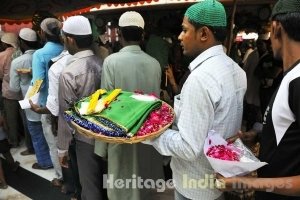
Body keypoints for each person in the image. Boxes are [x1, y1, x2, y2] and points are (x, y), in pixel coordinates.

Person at [143, 1, 247, 199]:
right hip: (217, 181)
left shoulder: (201, 79)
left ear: (204, 34)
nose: (180, 37)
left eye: (184, 30)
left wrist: (148, 132)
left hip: (194, 187)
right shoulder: (236, 70)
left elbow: (188, 147)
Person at [217, 0, 300, 199]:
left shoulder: (298, 81)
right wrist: (257, 135)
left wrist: (247, 181)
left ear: (275, 28)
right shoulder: (289, 75)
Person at [94, 11, 164, 200]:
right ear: (142, 35)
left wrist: (102, 147)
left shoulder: (111, 62)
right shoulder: (154, 64)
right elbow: (156, 105)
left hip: (121, 134)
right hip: (147, 135)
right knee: (144, 183)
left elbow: (106, 105)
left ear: (120, 34)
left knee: (121, 184)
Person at [57, 15, 105, 200]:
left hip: (85, 138)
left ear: (70, 39)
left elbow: (66, 115)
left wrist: (62, 148)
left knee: (90, 187)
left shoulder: (69, 73)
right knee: (106, 180)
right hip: (108, 133)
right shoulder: (103, 62)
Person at [0, 32, 26, 148]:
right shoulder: (20, 53)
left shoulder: (2, 55)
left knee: (11, 119)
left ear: (5, 43)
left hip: (9, 92)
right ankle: (27, 140)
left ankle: (14, 142)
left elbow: (0, 75)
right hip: (23, 91)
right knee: (24, 118)